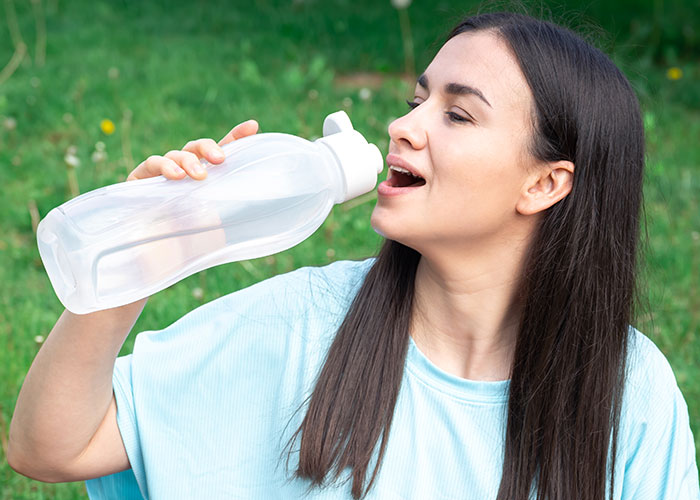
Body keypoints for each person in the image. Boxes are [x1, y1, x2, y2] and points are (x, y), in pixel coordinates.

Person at [8, 10, 700, 500]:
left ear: (545, 182)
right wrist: (138, 259)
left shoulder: (626, 390)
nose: (403, 125)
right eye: (416, 100)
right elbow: (52, 447)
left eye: (457, 115)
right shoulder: (302, 325)